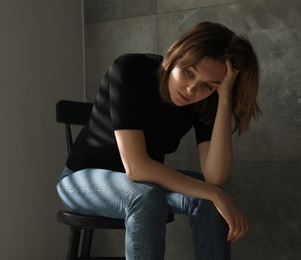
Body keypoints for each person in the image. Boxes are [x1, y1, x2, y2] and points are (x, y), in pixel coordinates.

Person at [57, 21, 261, 260]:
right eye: (188, 72)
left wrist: (224, 97)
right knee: (149, 196)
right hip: (82, 180)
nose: (191, 89)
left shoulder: (206, 100)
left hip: (146, 183)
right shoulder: (129, 69)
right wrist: (215, 194)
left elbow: (214, 177)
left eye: (207, 85)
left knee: (206, 199)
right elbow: (137, 167)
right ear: (175, 53)